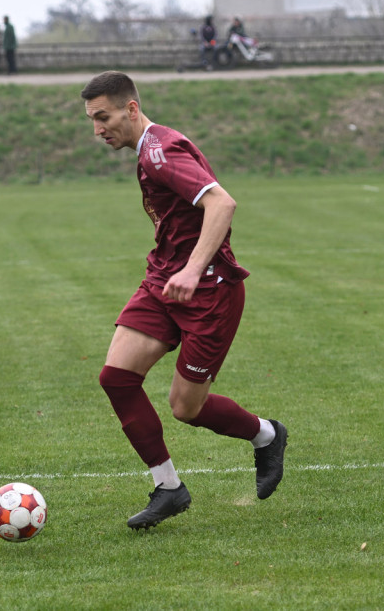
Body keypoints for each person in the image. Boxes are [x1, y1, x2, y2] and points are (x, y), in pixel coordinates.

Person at [80, 71, 287, 530]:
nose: (97, 129)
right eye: (92, 120)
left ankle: (267, 435)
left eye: (103, 117)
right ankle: (168, 487)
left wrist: (192, 270)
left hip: (208, 290)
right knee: (116, 378)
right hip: (163, 280)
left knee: (185, 408)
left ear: (131, 109)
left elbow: (222, 204)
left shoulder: (159, 151)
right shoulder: (150, 147)